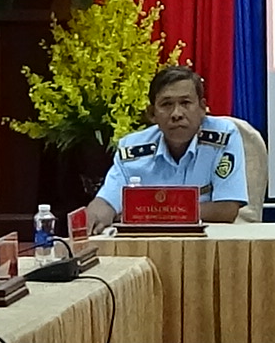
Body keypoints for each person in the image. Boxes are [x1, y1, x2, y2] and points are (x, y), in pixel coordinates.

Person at [80, 65, 252, 232]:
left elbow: (227, 209)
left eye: (185, 103)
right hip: (148, 243)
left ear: (202, 108)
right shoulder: (132, 149)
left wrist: (152, 214)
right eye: (166, 104)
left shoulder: (223, 137)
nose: (177, 114)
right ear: (152, 114)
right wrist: (93, 216)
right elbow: (106, 202)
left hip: (207, 240)